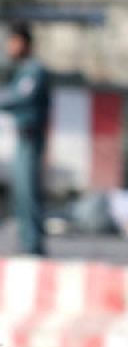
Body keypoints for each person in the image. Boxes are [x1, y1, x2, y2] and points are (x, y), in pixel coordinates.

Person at [0, 22, 52, 256]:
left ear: (25, 42)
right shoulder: (20, 69)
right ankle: (25, 241)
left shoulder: (34, 71)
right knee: (20, 193)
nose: (10, 47)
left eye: (14, 41)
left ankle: (33, 244)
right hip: (22, 139)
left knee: (29, 192)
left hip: (31, 139)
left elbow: (19, 97)